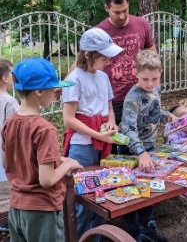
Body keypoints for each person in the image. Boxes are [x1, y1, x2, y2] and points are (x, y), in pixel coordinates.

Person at [1, 57, 83, 242]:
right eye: (53, 88)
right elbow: (47, 180)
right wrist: (68, 162)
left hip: (17, 208)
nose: (56, 92)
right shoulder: (44, 128)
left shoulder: (9, 123)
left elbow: (8, 162)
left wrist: (56, 160)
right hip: (41, 211)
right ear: (38, 91)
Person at [62, 27, 124, 240]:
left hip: (102, 143)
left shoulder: (103, 77)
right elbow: (69, 119)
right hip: (82, 146)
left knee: (102, 196)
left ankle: (96, 238)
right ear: (88, 55)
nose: (108, 61)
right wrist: (98, 135)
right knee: (82, 201)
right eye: (103, 57)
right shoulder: (74, 78)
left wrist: (112, 124)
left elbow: (109, 109)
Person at [119, 50, 176, 242]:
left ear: (161, 72)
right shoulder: (132, 97)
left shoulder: (155, 89)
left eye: (155, 78)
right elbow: (127, 129)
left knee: (149, 188)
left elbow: (154, 111)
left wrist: (169, 115)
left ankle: (147, 227)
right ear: (136, 73)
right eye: (145, 79)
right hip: (131, 150)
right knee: (132, 191)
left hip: (149, 148)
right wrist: (140, 152)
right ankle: (133, 233)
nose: (150, 84)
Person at [96, 0, 156, 129]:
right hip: (113, 100)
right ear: (106, 8)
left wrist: (154, 82)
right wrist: (65, 84)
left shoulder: (142, 24)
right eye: (117, 12)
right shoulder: (100, 31)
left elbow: (152, 56)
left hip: (140, 96)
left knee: (137, 143)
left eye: (125, 11)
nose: (122, 16)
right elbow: (83, 61)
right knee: (114, 145)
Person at [0, 59, 19, 232]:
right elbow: (13, 135)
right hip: (5, 154)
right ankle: (7, 223)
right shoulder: (10, 102)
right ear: (5, 78)